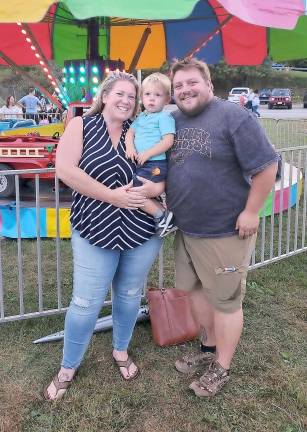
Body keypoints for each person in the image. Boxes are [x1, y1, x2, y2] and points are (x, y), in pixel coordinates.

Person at [43, 71, 163, 401]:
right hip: (95, 227)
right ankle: (68, 367)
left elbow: (160, 168)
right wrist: (114, 197)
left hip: (140, 231)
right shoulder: (81, 126)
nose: (126, 101)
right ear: (105, 95)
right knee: (84, 303)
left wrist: (157, 187)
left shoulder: (140, 130)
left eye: (132, 96)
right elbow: (65, 170)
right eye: (120, 94)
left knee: (127, 294)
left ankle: (120, 350)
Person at [167, 58, 278, 397]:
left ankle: (222, 368)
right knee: (197, 293)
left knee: (226, 301)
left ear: (209, 84)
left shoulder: (234, 116)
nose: (185, 90)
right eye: (178, 86)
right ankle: (208, 350)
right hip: (186, 229)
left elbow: (267, 166)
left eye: (191, 83)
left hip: (224, 230)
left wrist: (251, 211)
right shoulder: (172, 121)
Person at [125, 72, 176, 237]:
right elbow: (130, 134)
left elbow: (168, 141)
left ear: (167, 99)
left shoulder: (164, 117)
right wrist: (130, 148)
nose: (151, 99)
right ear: (142, 97)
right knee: (134, 189)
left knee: (133, 190)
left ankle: (161, 215)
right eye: (147, 94)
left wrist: (147, 153)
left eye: (157, 95)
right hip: (144, 162)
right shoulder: (141, 117)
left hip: (155, 165)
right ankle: (161, 213)